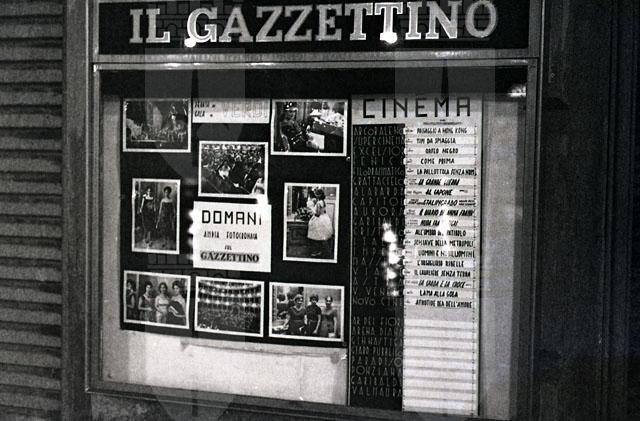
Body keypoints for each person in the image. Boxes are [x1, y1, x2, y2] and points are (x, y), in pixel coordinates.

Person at [306, 188, 334, 258]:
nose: (315, 195)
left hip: (319, 220)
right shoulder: (323, 201)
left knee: (317, 237)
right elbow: (324, 211)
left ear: (318, 195)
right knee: (321, 236)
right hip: (324, 218)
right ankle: (322, 251)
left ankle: (318, 252)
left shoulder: (318, 203)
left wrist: (312, 211)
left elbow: (318, 214)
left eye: (316, 194)